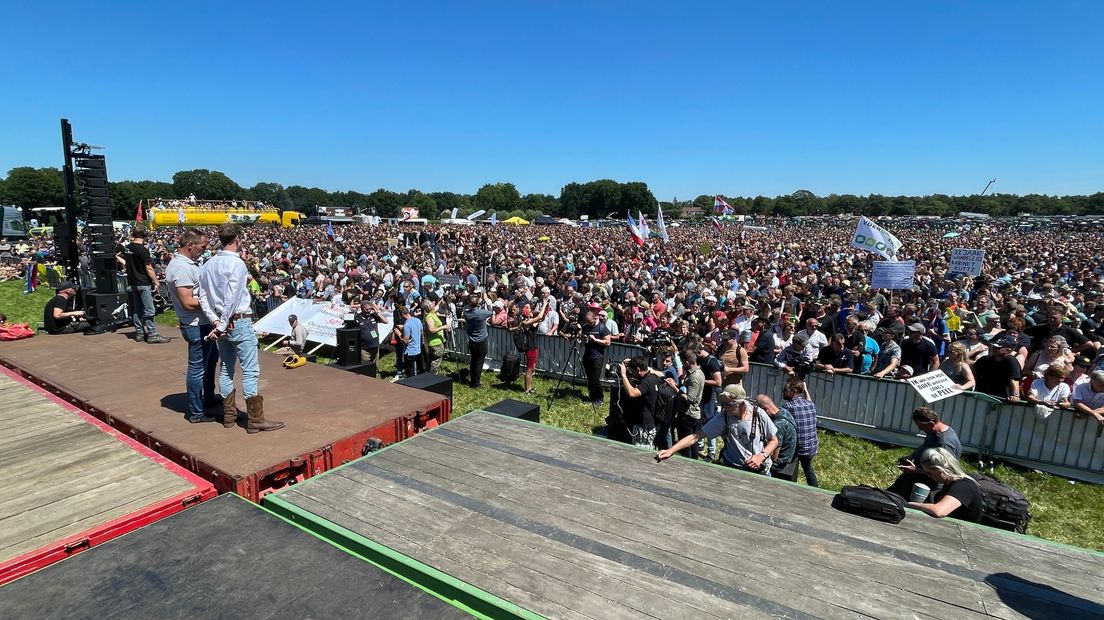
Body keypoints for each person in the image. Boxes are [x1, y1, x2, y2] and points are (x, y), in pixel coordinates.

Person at [199, 223, 283, 433]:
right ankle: (255, 420)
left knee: (226, 369)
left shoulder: (208, 264)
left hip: (221, 322)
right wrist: (224, 322)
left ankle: (229, 416)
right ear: (237, 239)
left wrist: (216, 322)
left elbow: (202, 297)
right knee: (250, 370)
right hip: (238, 321)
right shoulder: (237, 264)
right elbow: (232, 297)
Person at [658, 385, 778, 476]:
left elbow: (774, 440)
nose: (724, 407)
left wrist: (761, 456)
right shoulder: (723, 418)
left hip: (760, 471)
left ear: (741, 404)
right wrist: (671, 450)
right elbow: (696, 436)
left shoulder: (758, 414)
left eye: (728, 404)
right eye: (723, 404)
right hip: (733, 471)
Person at [164, 229, 219, 423]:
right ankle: (196, 412)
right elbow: (187, 302)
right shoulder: (181, 268)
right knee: (198, 367)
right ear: (190, 245)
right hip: (195, 324)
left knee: (211, 360)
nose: (204, 251)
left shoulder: (187, 264)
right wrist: (214, 301)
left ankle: (209, 397)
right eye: (202, 247)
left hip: (202, 322)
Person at [887, 407, 962, 498]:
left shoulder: (944, 443)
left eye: (921, 427)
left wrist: (915, 470)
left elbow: (944, 472)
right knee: (891, 494)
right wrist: (912, 455)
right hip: (916, 476)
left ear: (930, 423)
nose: (920, 429)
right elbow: (925, 445)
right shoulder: (933, 431)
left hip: (929, 486)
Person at [118, 227, 169, 343]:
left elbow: (118, 255)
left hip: (133, 282)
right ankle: (152, 334)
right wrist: (156, 281)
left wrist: (128, 266)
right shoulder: (143, 250)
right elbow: (149, 268)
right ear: (144, 236)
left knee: (137, 309)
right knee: (149, 309)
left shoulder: (128, 248)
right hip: (143, 281)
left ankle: (139, 333)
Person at [906, 448, 983, 522]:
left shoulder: (963, 486)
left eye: (930, 473)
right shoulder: (949, 483)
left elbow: (938, 511)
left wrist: (910, 505)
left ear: (939, 470)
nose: (929, 476)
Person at [617, 355, 668, 448]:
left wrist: (624, 375)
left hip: (644, 426)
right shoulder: (654, 377)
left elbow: (632, 393)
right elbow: (662, 374)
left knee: (640, 452)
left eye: (633, 371)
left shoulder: (646, 382)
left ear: (637, 369)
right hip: (651, 423)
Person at [781, 377, 819, 486]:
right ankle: (815, 490)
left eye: (785, 390)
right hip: (812, 447)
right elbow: (809, 400)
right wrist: (805, 390)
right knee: (808, 469)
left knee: (785, 466)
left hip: (798, 448)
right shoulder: (811, 405)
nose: (783, 392)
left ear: (794, 392)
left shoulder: (788, 407)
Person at [756, 394, 798, 479]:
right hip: (790, 455)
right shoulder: (784, 411)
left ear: (764, 409)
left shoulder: (778, 425)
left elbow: (774, 457)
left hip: (779, 463)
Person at [675, 350, 704, 459]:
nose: (682, 365)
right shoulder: (698, 373)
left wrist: (676, 389)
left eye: (683, 362)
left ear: (687, 362)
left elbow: (690, 399)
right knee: (692, 443)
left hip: (689, 415)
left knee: (686, 444)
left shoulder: (694, 377)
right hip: (691, 414)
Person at [972, 336, 1023, 400]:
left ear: (1008, 350)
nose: (993, 348)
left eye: (998, 347)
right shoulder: (984, 360)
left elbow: (1014, 379)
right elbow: (973, 371)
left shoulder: (1011, 361)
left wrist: (1015, 395)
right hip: (982, 395)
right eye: (993, 346)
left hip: (1000, 399)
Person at [511, 299, 545, 394]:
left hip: (533, 347)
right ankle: (527, 390)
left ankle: (529, 387)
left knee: (531, 369)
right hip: (530, 348)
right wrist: (544, 304)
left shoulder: (530, 321)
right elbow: (539, 317)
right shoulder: (526, 323)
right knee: (529, 370)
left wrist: (544, 307)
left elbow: (540, 318)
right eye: (530, 310)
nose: (532, 311)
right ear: (527, 313)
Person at [581, 309, 612, 405]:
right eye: (587, 322)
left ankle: (600, 398)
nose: (589, 324)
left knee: (595, 379)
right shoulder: (585, 327)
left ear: (595, 318)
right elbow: (583, 339)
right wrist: (583, 338)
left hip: (597, 356)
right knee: (589, 378)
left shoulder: (602, 328)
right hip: (587, 355)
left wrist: (595, 340)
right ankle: (592, 396)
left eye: (590, 322)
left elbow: (607, 342)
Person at [462, 292, 493, 388]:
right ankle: (476, 383)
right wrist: (487, 300)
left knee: (473, 361)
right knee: (479, 362)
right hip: (481, 340)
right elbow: (491, 311)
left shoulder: (467, 314)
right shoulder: (481, 313)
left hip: (472, 340)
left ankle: (472, 381)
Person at [423, 299, 450, 375]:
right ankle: (433, 378)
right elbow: (431, 330)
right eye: (431, 303)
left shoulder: (432, 312)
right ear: (429, 306)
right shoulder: (430, 317)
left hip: (437, 341)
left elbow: (437, 306)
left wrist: (441, 300)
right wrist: (443, 327)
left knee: (432, 360)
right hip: (435, 343)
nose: (433, 303)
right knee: (435, 362)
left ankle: (429, 375)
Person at [400, 305, 423, 377]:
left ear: (402, 315)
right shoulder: (418, 320)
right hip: (418, 349)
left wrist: (399, 336)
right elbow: (421, 332)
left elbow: (406, 341)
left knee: (411, 372)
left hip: (410, 351)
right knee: (419, 369)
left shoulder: (407, 325)